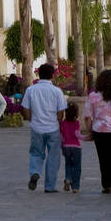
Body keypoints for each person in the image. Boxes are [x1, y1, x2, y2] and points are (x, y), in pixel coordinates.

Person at [20, 63, 68, 193]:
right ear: (53, 75)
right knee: (53, 157)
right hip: (52, 128)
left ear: (38, 74)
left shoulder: (31, 90)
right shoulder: (57, 91)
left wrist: (31, 119)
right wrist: (57, 122)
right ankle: (50, 186)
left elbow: (25, 108)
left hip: (36, 127)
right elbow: (61, 111)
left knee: (36, 153)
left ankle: (35, 172)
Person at [61, 103, 83, 194]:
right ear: (76, 114)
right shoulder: (76, 123)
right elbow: (77, 134)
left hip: (66, 146)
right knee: (77, 166)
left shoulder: (62, 123)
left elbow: (61, 137)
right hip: (76, 147)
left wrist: (62, 147)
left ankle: (68, 179)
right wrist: (86, 137)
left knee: (68, 164)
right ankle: (75, 187)